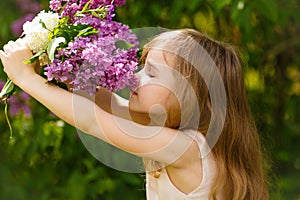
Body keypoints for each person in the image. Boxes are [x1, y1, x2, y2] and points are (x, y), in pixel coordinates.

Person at [0, 29, 269, 199]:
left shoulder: (188, 148)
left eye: (151, 73)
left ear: (191, 97)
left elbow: (95, 121)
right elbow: (113, 105)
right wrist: (66, 71)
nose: (135, 78)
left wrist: (27, 80)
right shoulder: (188, 141)